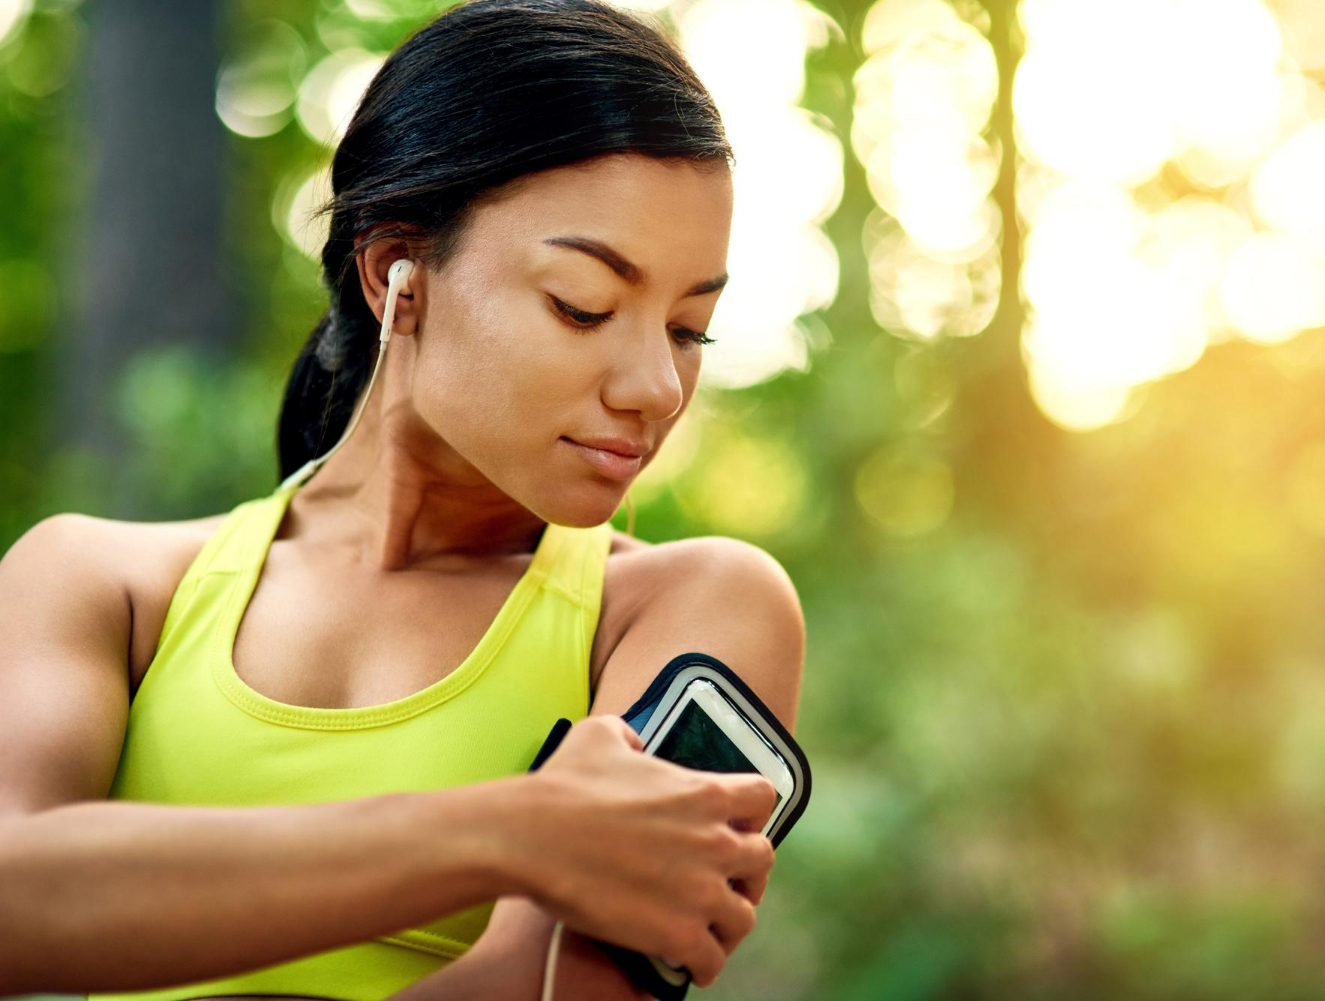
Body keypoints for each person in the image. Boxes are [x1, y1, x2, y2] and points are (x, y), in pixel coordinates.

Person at [0, 0, 806, 998]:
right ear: (396, 275)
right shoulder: (97, 581)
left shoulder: (689, 610)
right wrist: (511, 831)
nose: (657, 386)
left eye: (689, 328)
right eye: (582, 305)